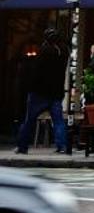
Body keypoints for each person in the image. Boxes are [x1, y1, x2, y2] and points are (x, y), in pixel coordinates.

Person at [14, 28, 69, 156]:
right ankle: (61, 146)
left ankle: (22, 146)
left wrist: (30, 87)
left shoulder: (44, 51)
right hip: (56, 92)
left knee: (29, 120)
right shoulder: (63, 52)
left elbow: (36, 72)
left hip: (39, 92)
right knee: (58, 120)